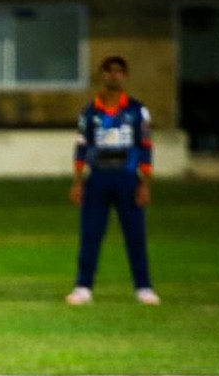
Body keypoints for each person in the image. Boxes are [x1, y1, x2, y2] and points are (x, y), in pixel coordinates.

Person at [66, 56, 160, 305]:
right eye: (108, 71)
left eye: (119, 71)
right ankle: (83, 286)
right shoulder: (90, 111)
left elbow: (145, 147)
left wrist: (145, 183)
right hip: (97, 179)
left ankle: (144, 287)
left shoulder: (137, 110)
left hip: (127, 178)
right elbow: (81, 147)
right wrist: (78, 181)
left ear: (125, 75)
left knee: (135, 235)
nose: (113, 75)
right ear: (102, 75)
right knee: (91, 234)